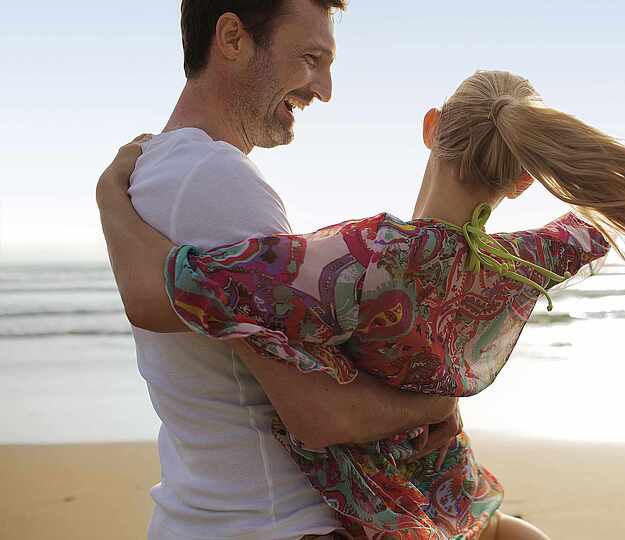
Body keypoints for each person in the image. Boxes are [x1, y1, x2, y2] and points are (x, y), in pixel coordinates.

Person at [98, 70, 625, 538]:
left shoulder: (355, 260)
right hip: (463, 502)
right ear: (521, 179)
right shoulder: (517, 262)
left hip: (387, 517)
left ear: (431, 128)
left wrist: (110, 198)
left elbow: (162, 292)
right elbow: (599, 225)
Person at [96, 2, 466, 539]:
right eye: (311, 59)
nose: (324, 90)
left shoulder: (159, 170)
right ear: (232, 37)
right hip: (272, 524)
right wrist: (434, 403)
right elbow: (318, 412)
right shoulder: (216, 178)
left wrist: (106, 197)